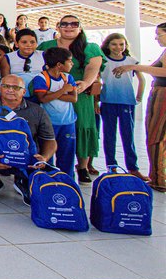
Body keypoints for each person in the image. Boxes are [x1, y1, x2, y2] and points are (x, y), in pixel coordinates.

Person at [0, 75, 57, 203]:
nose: (10, 90)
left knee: (43, 168)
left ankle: (23, 182)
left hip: (27, 159)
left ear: (24, 92)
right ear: (0, 88)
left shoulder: (37, 111)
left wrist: (44, 158)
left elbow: (50, 140)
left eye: (15, 87)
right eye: (6, 86)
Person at [38, 15, 104, 182]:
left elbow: (92, 69)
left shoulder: (91, 47)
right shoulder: (47, 46)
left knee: (82, 126)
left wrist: (84, 84)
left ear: (80, 27)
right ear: (58, 27)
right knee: (50, 129)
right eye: (64, 24)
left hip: (79, 93)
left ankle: (82, 167)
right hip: (50, 92)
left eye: (74, 24)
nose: (69, 27)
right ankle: (47, 166)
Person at [113, 22, 166, 191]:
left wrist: (134, 67)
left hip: (163, 95)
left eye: (159, 34)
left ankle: (160, 179)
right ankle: (157, 176)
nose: (156, 38)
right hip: (158, 92)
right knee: (155, 135)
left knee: (157, 136)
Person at [98, 33, 147, 180]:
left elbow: (141, 78)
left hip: (126, 102)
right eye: (114, 44)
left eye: (121, 44)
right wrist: (96, 101)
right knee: (109, 135)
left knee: (128, 135)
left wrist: (139, 96)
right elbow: (96, 80)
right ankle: (111, 166)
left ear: (125, 45)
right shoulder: (103, 61)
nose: (118, 47)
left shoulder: (131, 61)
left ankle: (133, 168)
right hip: (108, 102)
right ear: (107, 45)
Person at [32, 47, 78, 177]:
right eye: (69, 61)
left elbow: (73, 98)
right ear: (59, 64)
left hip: (68, 122)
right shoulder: (41, 78)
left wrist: (51, 93)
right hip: (48, 123)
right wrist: (63, 90)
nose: (72, 64)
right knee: (47, 155)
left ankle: (67, 181)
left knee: (67, 154)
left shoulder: (68, 77)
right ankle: (49, 182)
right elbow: (43, 99)